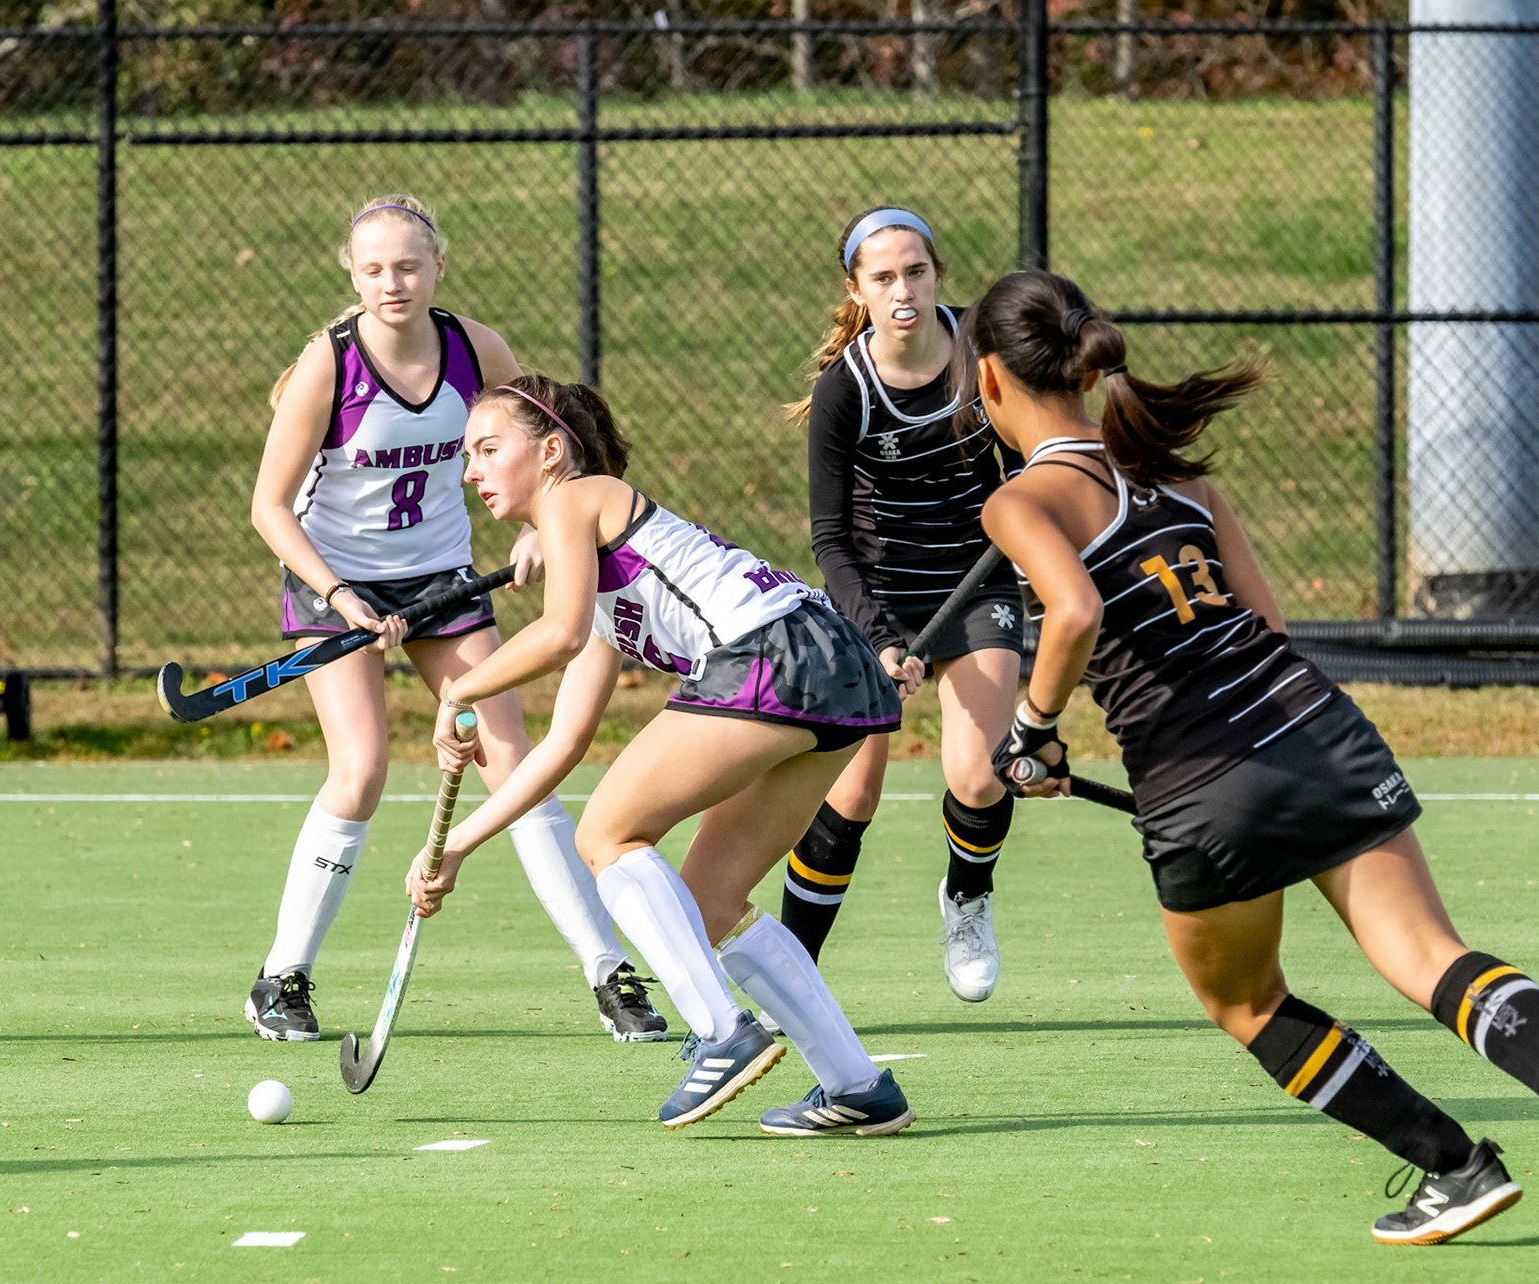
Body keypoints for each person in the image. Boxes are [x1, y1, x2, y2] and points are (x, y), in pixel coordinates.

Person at [967, 268, 1539, 1255]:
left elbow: (1075, 611)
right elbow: (1267, 622)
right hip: (1312, 725)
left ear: (991, 378)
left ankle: (1453, 1164)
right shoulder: (1184, 480)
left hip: (1200, 781)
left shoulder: (1021, 499)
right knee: (1430, 955)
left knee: (1246, 1001)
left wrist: (1033, 728)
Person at [405, 374, 915, 1136]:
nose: (470, 471)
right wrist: (455, 847)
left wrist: (459, 690)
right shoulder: (604, 571)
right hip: (835, 668)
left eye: (487, 449)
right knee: (711, 903)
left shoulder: (580, 496)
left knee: (606, 834)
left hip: (769, 651)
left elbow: (558, 633)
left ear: (551, 452)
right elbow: (560, 747)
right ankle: (858, 1084)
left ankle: (722, 1033)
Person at [244, 193, 664, 1046]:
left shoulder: (477, 347)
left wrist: (548, 530)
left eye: (407, 266)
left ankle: (607, 971)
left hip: (440, 577)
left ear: (439, 267)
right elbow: (269, 508)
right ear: (351, 274)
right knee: (360, 769)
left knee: (511, 758)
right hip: (337, 582)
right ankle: (282, 976)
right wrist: (340, 595)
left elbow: (530, 447)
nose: (391, 282)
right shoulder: (328, 365)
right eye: (373, 269)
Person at [782, 206, 1024, 1003]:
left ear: (937, 275)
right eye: (883, 277)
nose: (903, 289)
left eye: (915, 271)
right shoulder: (843, 390)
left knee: (980, 774)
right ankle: (790, 975)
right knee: (851, 793)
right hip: (872, 593)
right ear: (856, 289)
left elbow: (1034, 463)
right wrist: (880, 637)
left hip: (976, 582)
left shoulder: (985, 355)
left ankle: (967, 897)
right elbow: (827, 540)